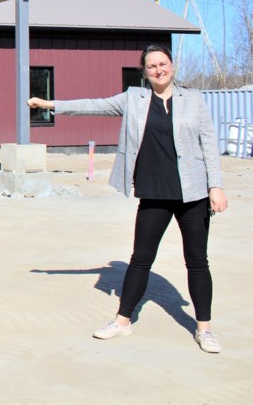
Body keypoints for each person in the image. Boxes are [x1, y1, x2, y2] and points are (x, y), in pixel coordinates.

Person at [27, 44, 227, 353]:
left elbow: (209, 145)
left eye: (163, 64)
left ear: (172, 66)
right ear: (144, 72)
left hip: (194, 193)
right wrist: (49, 104)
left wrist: (216, 186)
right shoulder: (135, 99)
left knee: (197, 262)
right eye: (152, 66)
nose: (158, 70)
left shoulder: (194, 100)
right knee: (140, 259)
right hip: (154, 193)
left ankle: (204, 329)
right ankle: (122, 322)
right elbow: (94, 105)